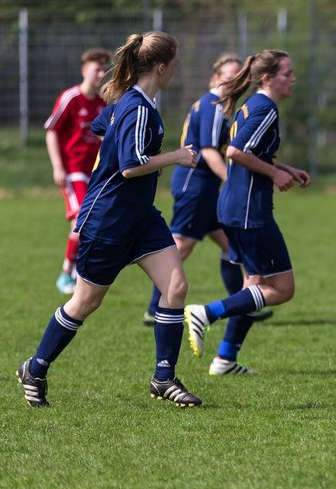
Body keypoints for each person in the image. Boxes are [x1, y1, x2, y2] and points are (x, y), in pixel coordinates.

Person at [17, 32, 202, 408]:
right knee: (85, 302)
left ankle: (163, 377)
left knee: (176, 287)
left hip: (141, 217)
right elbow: (132, 166)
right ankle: (35, 368)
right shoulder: (136, 106)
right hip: (109, 220)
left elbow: (101, 128)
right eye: (175, 64)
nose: (177, 70)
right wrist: (177, 156)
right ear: (161, 67)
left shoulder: (132, 101)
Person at [184, 49, 311, 375]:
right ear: (267, 78)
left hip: (234, 208)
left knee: (253, 285)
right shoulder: (265, 108)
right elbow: (238, 152)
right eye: (287, 73)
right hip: (249, 213)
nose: (293, 79)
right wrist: (275, 174)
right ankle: (206, 313)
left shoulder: (251, 105)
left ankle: (225, 359)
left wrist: (284, 167)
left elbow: (241, 150)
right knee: (282, 289)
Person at [142, 54, 273, 327]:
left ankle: (241, 304)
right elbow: (209, 151)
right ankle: (156, 308)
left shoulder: (217, 104)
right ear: (215, 78)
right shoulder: (214, 105)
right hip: (196, 185)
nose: (233, 81)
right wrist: (232, 179)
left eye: (239, 76)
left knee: (230, 245)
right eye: (228, 76)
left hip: (207, 188)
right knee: (180, 247)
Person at [45, 48, 111, 294]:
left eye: (105, 69)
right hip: (74, 171)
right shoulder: (71, 98)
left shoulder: (105, 102)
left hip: (96, 173)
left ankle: (75, 274)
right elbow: (51, 130)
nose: (101, 74)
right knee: (81, 220)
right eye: (97, 69)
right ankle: (65, 275)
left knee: (92, 222)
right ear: (85, 70)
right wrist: (58, 166)